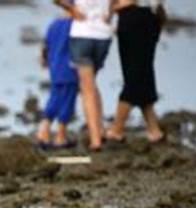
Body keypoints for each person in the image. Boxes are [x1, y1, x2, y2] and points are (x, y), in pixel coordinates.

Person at [54, 0, 113, 152]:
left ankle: (95, 140)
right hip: (103, 35)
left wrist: (72, 9)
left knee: (87, 89)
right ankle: (100, 130)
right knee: (92, 83)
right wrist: (110, 13)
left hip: (82, 33)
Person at [104, 0, 166, 144]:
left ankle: (117, 129)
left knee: (135, 75)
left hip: (136, 18)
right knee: (142, 74)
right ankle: (154, 129)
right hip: (145, 17)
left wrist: (113, 9)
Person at [35, 10, 79, 149]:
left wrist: (45, 61)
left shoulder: (54, 24)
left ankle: (44, 131)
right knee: (67, 102)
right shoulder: (75, 25)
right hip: (70, 69)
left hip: (55, 68)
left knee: (54, 99)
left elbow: (45, 46)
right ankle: (60, 136)